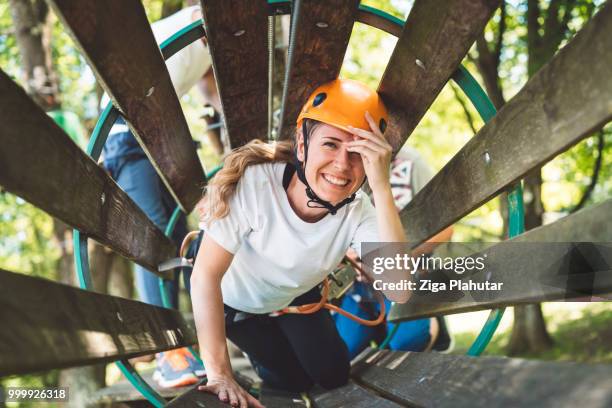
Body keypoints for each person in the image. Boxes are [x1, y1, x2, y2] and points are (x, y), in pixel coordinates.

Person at [190, 79, 411, 407]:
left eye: (358, 153)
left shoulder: (359, 210)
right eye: (331, 144)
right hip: (237, 303)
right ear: (303, 144)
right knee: (289, 381)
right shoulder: (257, 184)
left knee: (333, 375)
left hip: (294, 295)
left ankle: (283, 336)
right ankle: (265, 355)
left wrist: (381, 186)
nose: (342, 164)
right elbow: (205, 277)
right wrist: (220, 372)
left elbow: (399, 289)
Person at [101, 5, 222, 388]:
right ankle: (166, 351)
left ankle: (185, 344)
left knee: (176, 242)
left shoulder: (215, 40)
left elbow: (212, 88)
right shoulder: (200, 19)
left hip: (163, 142)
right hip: (128, 136)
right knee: (152, 239)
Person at [334, 147, 454, 358]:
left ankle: (430, 322)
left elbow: (446, 230)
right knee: (342, 351)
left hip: (405, 275)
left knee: (408, 341)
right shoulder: (340, 165)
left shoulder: (411, 163)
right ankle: (382, 328)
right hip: (359, 285)